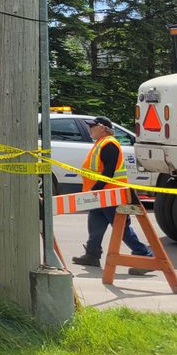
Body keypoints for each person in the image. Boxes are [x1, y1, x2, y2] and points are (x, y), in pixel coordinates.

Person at [72, 116, 153, 273]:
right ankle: (92, 255)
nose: (90, 128)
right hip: (102, 194)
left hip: (110, 194)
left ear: (103, 128)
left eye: (93, 126)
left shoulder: (109, 144)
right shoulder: (101, 143)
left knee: (121, 228)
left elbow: (108, 171)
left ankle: (145, 256)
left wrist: (96, 189)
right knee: (95, 224)